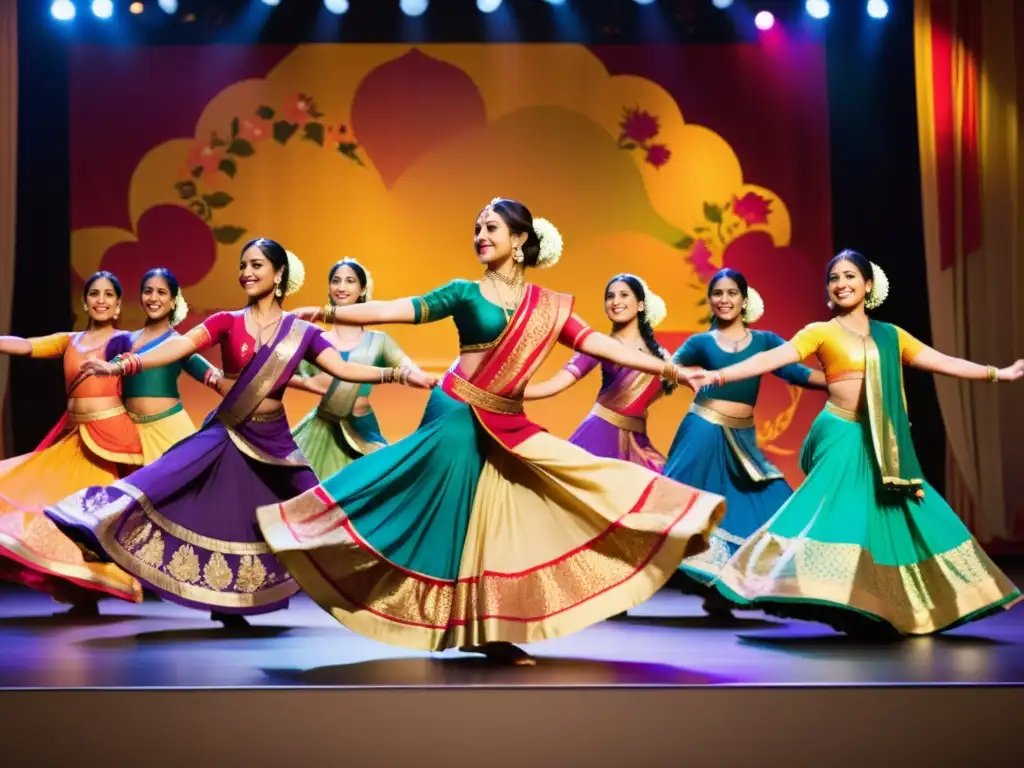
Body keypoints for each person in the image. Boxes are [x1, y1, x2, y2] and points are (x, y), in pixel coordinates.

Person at [257, 198, 726, 665]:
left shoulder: (548, 306)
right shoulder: (464, 292)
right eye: (477, 227)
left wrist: (671, 370)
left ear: (520, 240)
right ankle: (305, 533)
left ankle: (490, 630)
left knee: (516, 514)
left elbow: (599, 344)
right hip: (458, 413)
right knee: (441, 514)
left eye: (492, 228)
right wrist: (325, 314)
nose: (481, 235)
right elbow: (395, 309)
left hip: (508, 422)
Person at [45, 239, 434, 629]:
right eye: (243, 265)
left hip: (275, 439)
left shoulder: (300, 332)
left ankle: (383, 589)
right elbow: (179, 346)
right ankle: (96, 521)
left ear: (278, 274)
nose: (246, 272)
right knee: (166, 481)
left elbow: (343, 369)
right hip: (229, 428)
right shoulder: (226, 321)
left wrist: (399, 373)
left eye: (257, 265)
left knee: (321, 510)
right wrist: (124, 365)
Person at [688, 250, 1023, 637]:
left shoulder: (891, 335)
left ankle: (906, 602)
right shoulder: (820, 331)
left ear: (868, 285)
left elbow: (939, 360)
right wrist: (719, 376)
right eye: (834, 278)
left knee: (906, 515)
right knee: (837, 515)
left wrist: (996, 373)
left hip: (886, 441)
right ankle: (786, 585)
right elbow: (772, 358)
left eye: (849, 276)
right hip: (841, 433)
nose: (841, 283)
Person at [665, 268, 826, 617]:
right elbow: (669, 369)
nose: (724, 299)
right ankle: (706, 588)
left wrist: (841, 381)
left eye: (731, 293)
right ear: (710, 300)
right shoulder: (701, 343)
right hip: (702, 432)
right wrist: (674, 375)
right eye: (718, 293)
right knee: (690, 509)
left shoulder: (766, 341)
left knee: (772, 500)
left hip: (742, 436)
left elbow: (796, 372)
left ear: (744, 299)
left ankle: (728, 587)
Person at [0, 271, 143, 613]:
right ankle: (80, 595)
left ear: (119, 304)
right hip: (75, 440)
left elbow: (162, 352)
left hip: (109, 443)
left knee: (91, 521)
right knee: (55, 512)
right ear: (85, 301)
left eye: (109, 294)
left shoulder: (127, 341)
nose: (102, 300)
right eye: (95, 293)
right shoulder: (70, 341)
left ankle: (91, 591)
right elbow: (27, 345)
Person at [524, 273, 674, 472]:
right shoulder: (598, 346)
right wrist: (509, 393)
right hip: (599, 436)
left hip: (638, 442)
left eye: (623, 295)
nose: (615, 301)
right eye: (610, 296)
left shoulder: (663, 356)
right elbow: (556, 384)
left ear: (640, 305)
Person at [288, 259, 423, 478]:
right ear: (329, 289)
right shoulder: (315, 339)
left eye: (350, 281)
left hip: (362, 430)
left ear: (362, 289)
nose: (341, 287)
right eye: (336, 281)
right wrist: (307, 383)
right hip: (320, 431)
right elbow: (282, 374)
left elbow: (409, 369)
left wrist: (431, 379)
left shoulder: (379, 342)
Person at [110, 268, 224, 464]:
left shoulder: (177, 344)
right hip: (131, 434)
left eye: (161, 292)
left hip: (170, 432)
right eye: (148, 291)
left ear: (173, 301)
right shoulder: (124, 340)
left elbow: (213, 377)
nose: (153, 298)